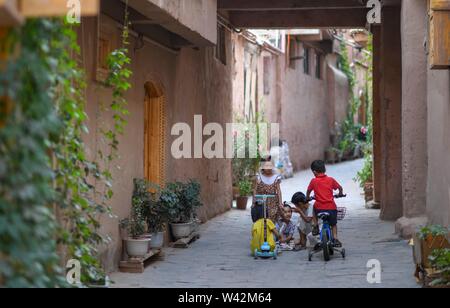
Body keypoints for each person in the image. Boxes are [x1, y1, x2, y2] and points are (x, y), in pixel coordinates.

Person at [307, 160, 344, 247]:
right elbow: (339, 187)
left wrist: (307, 197)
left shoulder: (313, 181)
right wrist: (340, 193)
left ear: (314, 172)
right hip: (331, 208)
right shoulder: (330, 180)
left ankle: (315, 225)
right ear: (325, 169)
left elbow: (308, 191)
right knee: (334, 224)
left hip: (319, 208)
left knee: (313, 208)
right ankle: (335, 238)